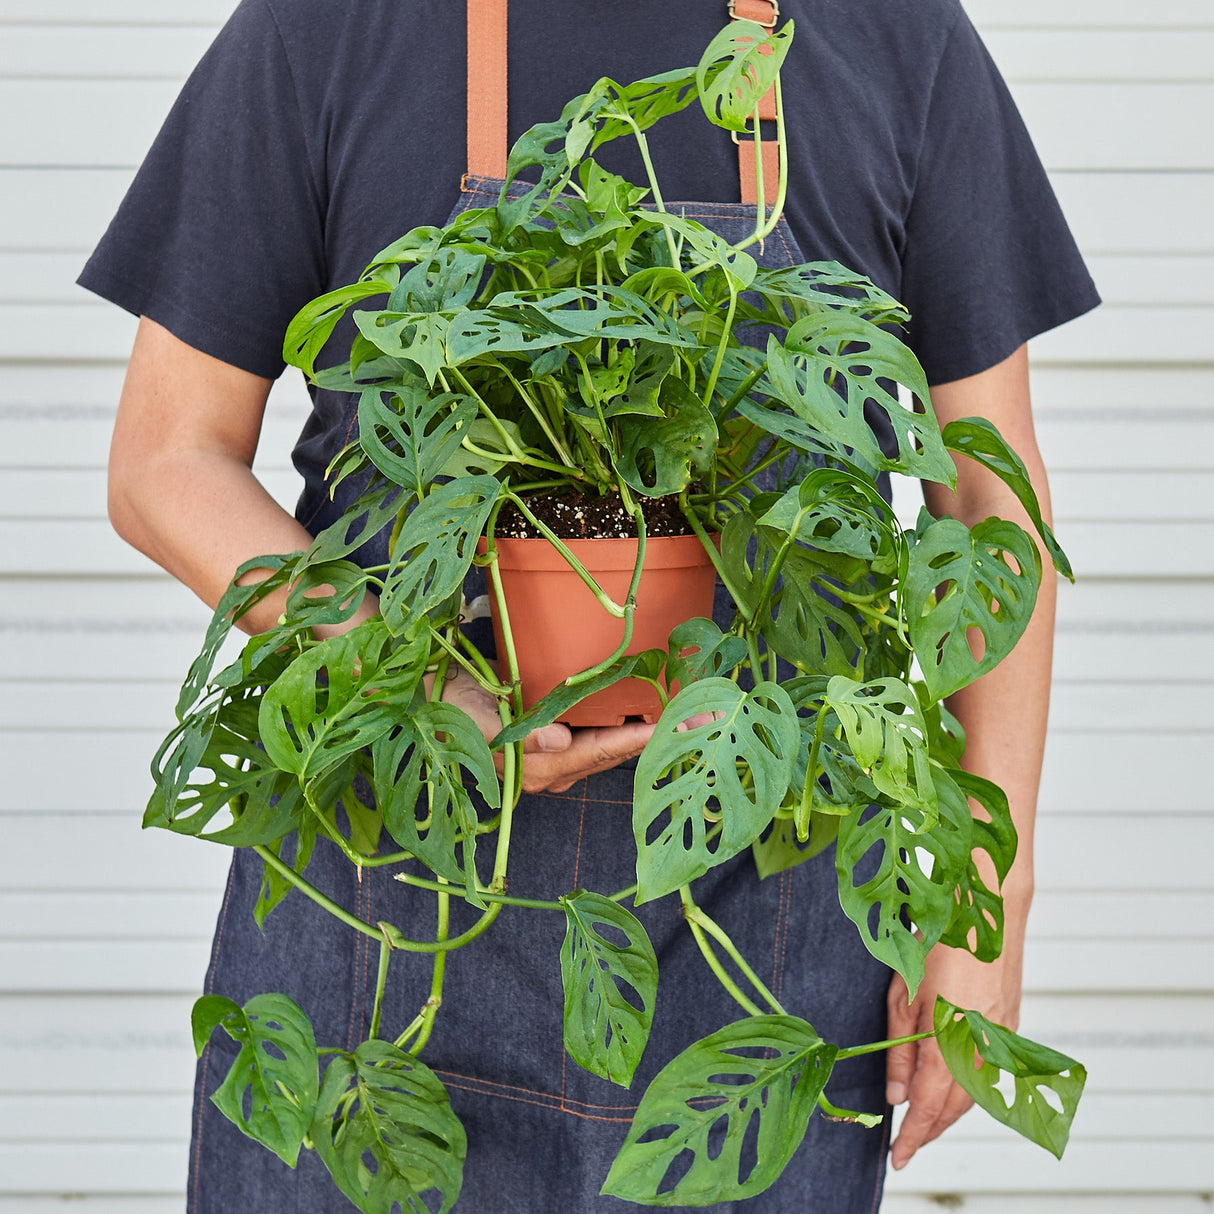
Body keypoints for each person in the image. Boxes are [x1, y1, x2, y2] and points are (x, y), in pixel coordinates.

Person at [80, 0, 1099, 1208]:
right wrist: (407, 679)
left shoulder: (891, 35)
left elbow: (983, 495)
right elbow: (164, 460)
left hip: (759, 931)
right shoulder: (325, 26)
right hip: (381, 895)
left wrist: (988, 905)